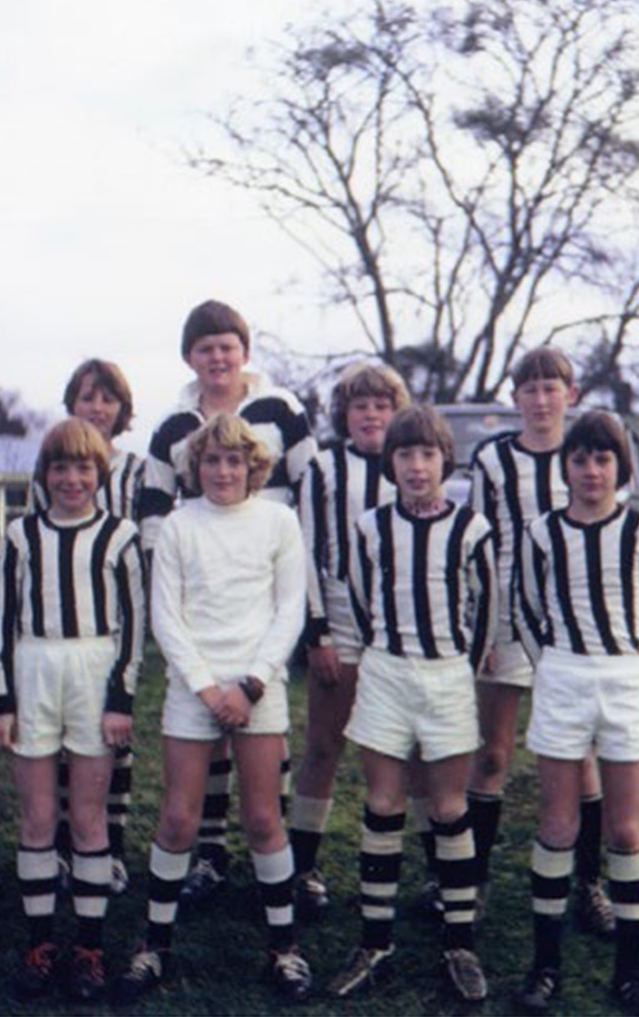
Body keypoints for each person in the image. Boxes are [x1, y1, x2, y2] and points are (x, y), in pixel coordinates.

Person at [116, 414, 313, 1002]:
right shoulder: (178, 525)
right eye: (211, 461)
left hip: (259, 687)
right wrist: (206, 688)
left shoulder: (279, 521)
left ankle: (283, 947)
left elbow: (289, 611)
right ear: (193, 468)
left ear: (255, 466)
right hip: (193, 687)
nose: (224, 471)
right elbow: (165, 616)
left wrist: (249, 685)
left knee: (261, 820)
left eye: (235, 461)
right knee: (178, 819)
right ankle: (155, 946)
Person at [137, 299, 316, 906]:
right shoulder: (173, 425)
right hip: (201, 594)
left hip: (266, 594)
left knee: (264, 757)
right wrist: (177, 572)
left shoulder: (281, 408)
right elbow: (156, 511)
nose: (217, 357)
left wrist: (307, 611)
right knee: (197, 756)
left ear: (244, 351)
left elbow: (311, 491)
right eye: (205, 347)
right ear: (190, 356)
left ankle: (284, 878)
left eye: (227, 346)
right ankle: (207, 858)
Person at [327, 405, 496, 1004]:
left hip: (448, 674)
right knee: (382, 801)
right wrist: (387, 653)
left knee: (449, 806)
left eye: (427, 454)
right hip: (385, 672)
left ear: (444, 461)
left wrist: (457, 669)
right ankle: (375, 943)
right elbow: (361, 597)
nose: (417, 466)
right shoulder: (370, 527)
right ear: (389, 462)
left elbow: (485, 613)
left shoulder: (472, 528)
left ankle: (459, 942)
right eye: (405, 455)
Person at [515, 411, 639, 1016]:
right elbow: (526, 610)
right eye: (579, 459)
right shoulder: (540, 534)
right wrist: (554, 665)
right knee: (557, 826)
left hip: (625, 676)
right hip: (561, 675)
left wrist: (629, 664)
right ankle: (545, 967)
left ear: (620, 466)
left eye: (602, 459)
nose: (590, 470)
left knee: (625, 830)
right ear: (566, 467)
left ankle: (629, 973)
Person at [0, 418, 146, 1002]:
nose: (72, 479)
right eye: (60, 467)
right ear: (44, 474)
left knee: (86, 818)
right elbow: (1, 624)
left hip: (94, 669)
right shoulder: (19, 537)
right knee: (36, 818)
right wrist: (1, 698)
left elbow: (134, 627)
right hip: (34, 667)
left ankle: (88, 947)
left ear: (99, 475)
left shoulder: (121, 536)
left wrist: (121, 699)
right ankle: (39, 944)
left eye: (84, 468)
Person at [467, 346, 615, 932]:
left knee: (580, 757)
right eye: (528, 389)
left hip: (570, 622)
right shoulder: (492, 460)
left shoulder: (592, 455)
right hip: (506, 616)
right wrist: (478, 624)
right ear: (515, 398)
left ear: (570, 394)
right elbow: (475, 545)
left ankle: (588, 883)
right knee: (493, 753)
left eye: (551, 388)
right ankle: (470, 882)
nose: (540, 399)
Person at [288, 361, 408, 917]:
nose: (371, 415)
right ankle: (302, 866)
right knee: (323, 746)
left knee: (408, 751)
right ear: (345, 414)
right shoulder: (324, 467)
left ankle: (421, 870)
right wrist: (317, 633)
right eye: (360, 406)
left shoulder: (412, 464)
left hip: (402, 628)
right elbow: (306, 552)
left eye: (381, 405)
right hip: (340, 623)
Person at [38, 359, 146, 896]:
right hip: (62, 628)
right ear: (72, 405)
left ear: (122, 409)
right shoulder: (56, 464)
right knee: (61, 743)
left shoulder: (135, 470)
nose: (97, 408)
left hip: (114, 619)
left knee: (112, 738)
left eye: (108, 399)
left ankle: (113, 848)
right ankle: (61, 847)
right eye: (87, 398)